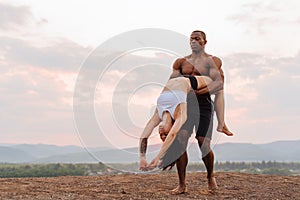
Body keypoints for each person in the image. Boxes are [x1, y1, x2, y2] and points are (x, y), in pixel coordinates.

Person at [159, 30, 230, 194]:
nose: (193, 41)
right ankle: (182, 184)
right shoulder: (181, 62)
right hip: (184, 105)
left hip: (203, 104)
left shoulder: (212, 61)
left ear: (205, 41)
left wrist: (199, 92)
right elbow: (171, 85)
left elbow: (218, 85)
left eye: (197, 38)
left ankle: (210, 176)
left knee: (203, 142)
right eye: (191, 38)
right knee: (180, 140)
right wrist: (165, 114)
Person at [139, 75, 213, 171]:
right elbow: (173, 134)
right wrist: (157, 158)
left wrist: (142, 158)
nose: (162, 135)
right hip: (192, 82)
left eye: (161, 136)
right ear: (172, 127)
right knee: (212, 81)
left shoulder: (158, 114)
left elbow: (144, 136)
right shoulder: (180, 115)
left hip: (176, 79)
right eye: (166, 135)